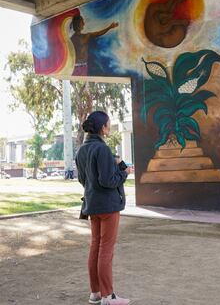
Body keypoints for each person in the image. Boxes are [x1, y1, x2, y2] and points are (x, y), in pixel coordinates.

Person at [76, 111, 132, 305]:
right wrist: (124, 173)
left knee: (95, 248)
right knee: (106, 250)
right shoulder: (103, 150)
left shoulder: (81, 150)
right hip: (108, 206)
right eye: (108, 124)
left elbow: (83, 180)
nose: (109, 127)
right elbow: (108, 180)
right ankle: (108, 297)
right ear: (102, 128)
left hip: (92, 205)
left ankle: (96, 294)